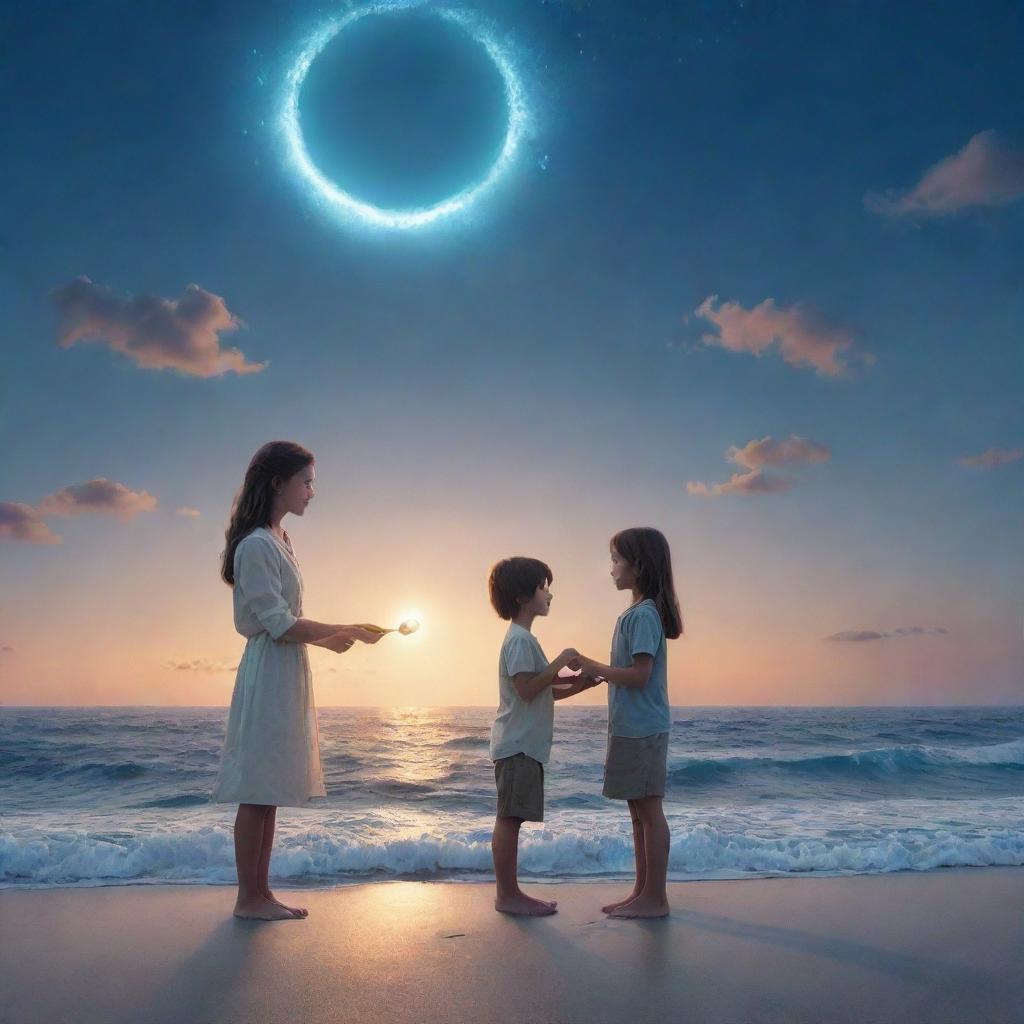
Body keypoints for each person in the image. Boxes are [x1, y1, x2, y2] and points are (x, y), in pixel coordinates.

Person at [211, 440, 383, 921]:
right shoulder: (256, 545)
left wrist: (337, 634)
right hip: (268, 666)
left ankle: (261, 894)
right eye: (306, 482)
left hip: (284, 666)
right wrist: (337, 632)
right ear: (277, 483)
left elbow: (287, 621)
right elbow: (278, 622)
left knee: (269, 790)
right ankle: (248, 898)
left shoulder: (279, 538)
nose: (312, 492)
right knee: (257, 788)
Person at [572, 527, 682, 919]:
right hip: (631, 726)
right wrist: (591, 672)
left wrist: (592, 664)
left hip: (644, 727)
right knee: (638, 813)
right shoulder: (635, 614)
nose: (611, 569)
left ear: (638, 566)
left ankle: (656, 898)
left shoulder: (645, 615)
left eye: (616, 560)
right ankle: (642, 892)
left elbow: (639, 674)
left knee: (650, 813)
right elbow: (627, 671)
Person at [487, 556, 600, 916]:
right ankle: (508, 895)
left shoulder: (525, 640)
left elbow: (544, 691)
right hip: (517, 744)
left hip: (523, 744)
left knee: (512, 818)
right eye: (543, 587)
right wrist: (561, 660)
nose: (549, 594)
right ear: (523, 596)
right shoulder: (520, 641)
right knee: (509, 819)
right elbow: (526, 689)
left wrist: (582, 683)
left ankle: (510, 893)